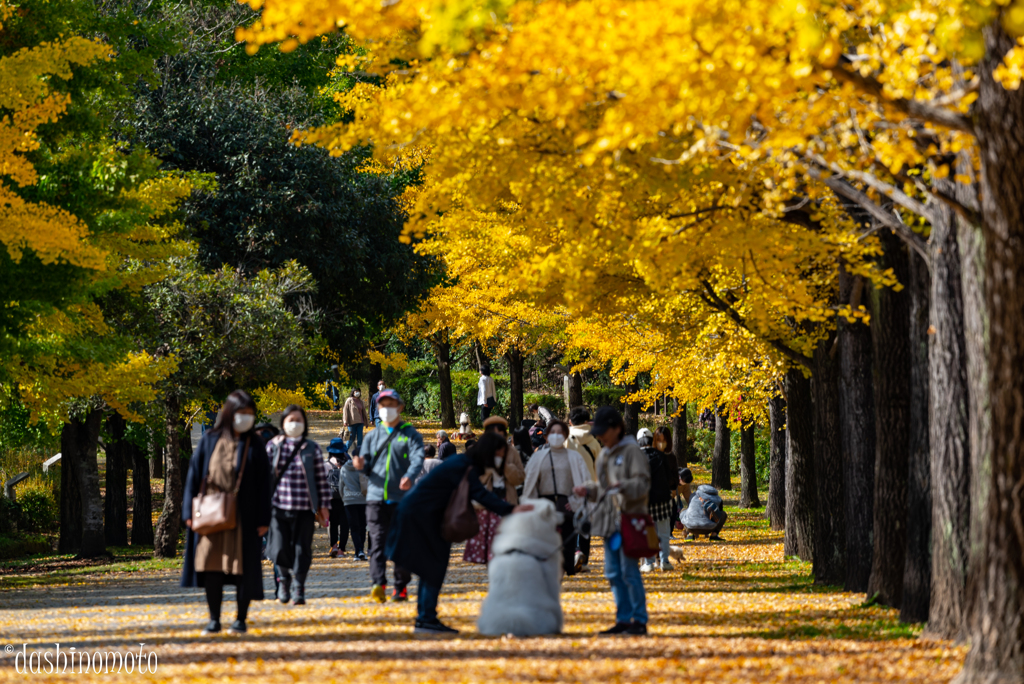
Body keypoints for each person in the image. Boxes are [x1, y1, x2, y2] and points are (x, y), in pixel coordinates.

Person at [385, 432, 532, 634]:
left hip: (423, 515)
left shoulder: (463, 464)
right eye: (499, 453)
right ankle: (426, 618)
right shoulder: (464, 467)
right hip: (422, 516)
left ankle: (425, 618)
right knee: (433, 567)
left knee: (431, 567)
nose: (501, 458)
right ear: (489, 452)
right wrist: (511, 509)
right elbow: (480, 494)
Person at [182, 390, 271, 635]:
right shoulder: (210, 439)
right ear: (230, 413)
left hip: (246, 516)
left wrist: (265, 519)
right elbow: (194, 475)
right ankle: (214, 619)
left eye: (250, 414)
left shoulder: (256, 444)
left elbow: (265, 484)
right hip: (211, 514)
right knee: (212, 568)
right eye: (242, 413)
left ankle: (240, 619)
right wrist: (188, 511)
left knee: (244, 568)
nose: (246, 418)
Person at [573, 406, 650, 636]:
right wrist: (587, 490)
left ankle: (639, 620)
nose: (600, 436)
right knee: (613, 573)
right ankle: (623, 619)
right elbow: (603, 489)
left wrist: (623, 487)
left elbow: (643, 484)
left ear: (617, 429)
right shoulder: (604, 453)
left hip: (630, 520)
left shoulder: (631, 451)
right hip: (609, 524)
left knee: (629, 571)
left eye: (603, 432)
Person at [351, 389, 425, 603]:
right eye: (382, 405)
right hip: (375, 498)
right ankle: (378, 584)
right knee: (377, 543)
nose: (386, 409)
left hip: (401, 499)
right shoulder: (372, 435)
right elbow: (364, 463)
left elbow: (417, 458)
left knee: (401, 544)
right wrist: (359, 465)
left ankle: (400, 587)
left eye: (391, 404)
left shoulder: (410, 434)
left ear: (400, 407)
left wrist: (410, 476)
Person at [265, 405, 332, 605]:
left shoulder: (311, 448)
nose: (294, 423)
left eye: (298, 420)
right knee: (279, 548)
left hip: (305, 509)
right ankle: (284, 581)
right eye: (290, 419)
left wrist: (324, 506)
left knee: (302, 549)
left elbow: (322, 479)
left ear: (304, 423)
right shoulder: (274, 446)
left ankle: (299, 587)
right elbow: (263, 478)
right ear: (283, 422)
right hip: (278, 507)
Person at [522, 419, 592, 576]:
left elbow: (584, 482)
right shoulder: (538, 457)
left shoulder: (574, 457)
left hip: (566, 506)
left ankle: (562, 572)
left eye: (560, 433)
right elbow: (530, 484)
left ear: (566, 435)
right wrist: (532, 505)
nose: (556, 436)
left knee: (566, 545)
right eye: (552, 433)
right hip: (544, 506)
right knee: (546, 544)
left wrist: (575, 501)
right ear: (546, 436)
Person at [463, 416, 526, 564]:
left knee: (507, 540)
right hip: (484, 502)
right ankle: (493, 571)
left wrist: (505, 466)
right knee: (488, 543)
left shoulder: (511, 451)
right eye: (493, 431)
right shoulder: (479, 451)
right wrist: (490, 468)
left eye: (500, 430)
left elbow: (520, 477)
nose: (497, 434)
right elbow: (471, 478)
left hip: (506, 498)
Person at [637, 428, 676, 572]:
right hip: (663, 500)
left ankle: (649, 563)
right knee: (664, 533)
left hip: (645, 501)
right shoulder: (661, 456)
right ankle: (664, 561)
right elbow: (671, 479)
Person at [566, 407, 600, 570]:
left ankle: (574, 553)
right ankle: (583, 559)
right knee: (585, 524)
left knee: (570, 523)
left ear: (570, 421)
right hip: (589, 489)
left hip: (569, 487)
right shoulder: (593, 441)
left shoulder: (566, 440)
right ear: (587, 422)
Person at [341, 456, 369, 561]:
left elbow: (341, 484)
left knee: (354, 527)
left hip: (349, 500)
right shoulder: (364, 467)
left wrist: (344, 498)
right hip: (363, 500)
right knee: (362, 526)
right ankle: (360, 550)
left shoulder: (344, 468)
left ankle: (358, 551)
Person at [326, 440, 350, 559]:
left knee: (333, 523)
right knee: (345, 524)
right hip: (346, 497)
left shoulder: (327, 464)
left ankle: (334, 545)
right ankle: (342, 549)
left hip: (331, 498)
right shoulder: (348, 462)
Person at [343, 388, 367, 453]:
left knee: (360, 439)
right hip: (351, 423)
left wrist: (366, 422)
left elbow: (364, 412)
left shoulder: (361, 401)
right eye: (356, 391)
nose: (357, 393)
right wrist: (345, 421)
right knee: (350, 439)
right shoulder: (349, 400)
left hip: (360, 423)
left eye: (359, 391)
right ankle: (344, 451)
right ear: (353, 392)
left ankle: (359, 453)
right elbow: (345, 410)